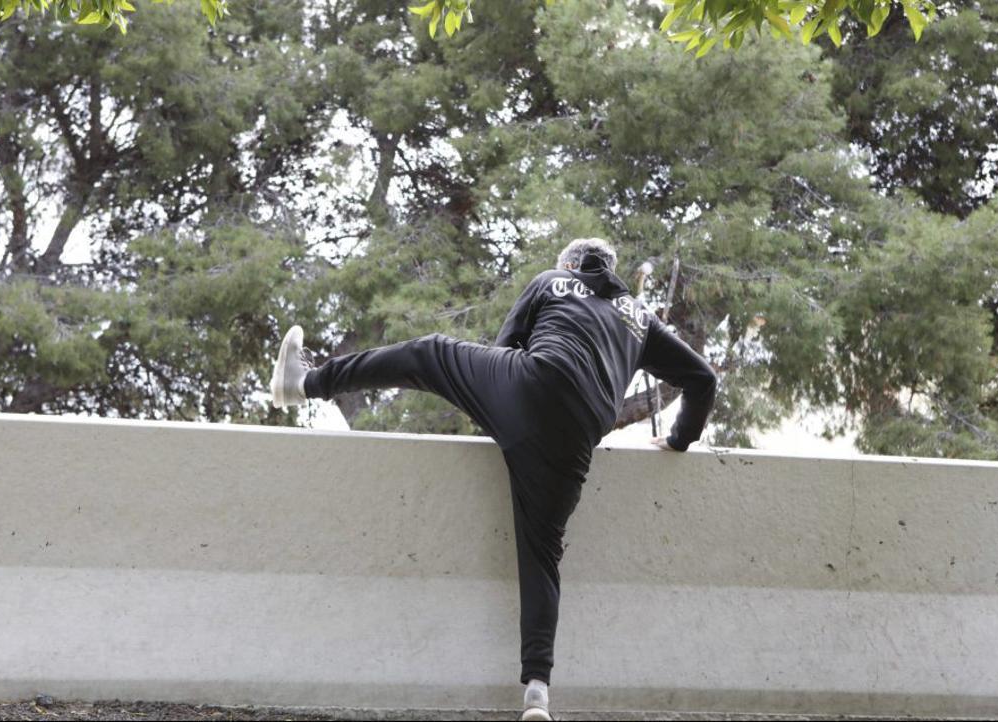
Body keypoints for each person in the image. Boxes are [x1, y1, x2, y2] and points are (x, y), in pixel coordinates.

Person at [270, 238, 717, 721]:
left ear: (569, 263)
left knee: (428, 352)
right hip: (580, 433)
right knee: (542, 553)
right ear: (611, 271)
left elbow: (504, 350)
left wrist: (492, 408)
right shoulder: (639, 317)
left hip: (532, 383)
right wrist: (678, 440)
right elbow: (703, 380)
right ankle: (537, 693)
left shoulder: (550, 281)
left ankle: (304, 382)